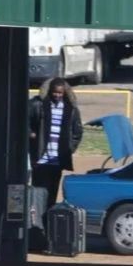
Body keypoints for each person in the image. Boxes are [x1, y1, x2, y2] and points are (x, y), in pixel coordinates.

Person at [29, 78, 83, 211]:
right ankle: (37, 224)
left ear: (64, 93)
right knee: (38, 193)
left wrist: (69, 149)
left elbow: (77, 132)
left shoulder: (71, 109)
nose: (57, 95)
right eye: (55, 92)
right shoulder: (38, 104)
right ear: (50, 91)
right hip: (41, 157)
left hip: (57, 160)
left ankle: (48, 223)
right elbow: (23, 121)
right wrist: (31, 134)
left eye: (60, 93)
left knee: (52, 193)